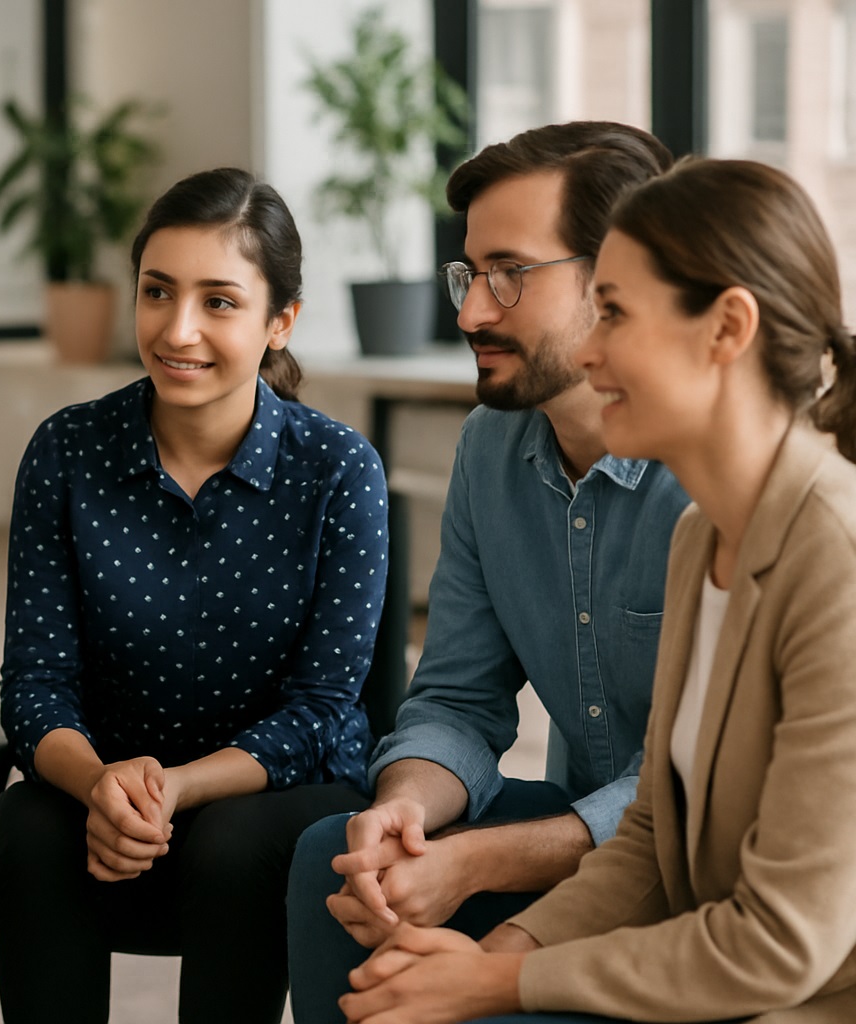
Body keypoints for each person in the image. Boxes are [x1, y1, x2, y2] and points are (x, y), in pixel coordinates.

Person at [341, 157, 856, 1024]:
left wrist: (497, 982)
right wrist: (481, 962)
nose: (587, 349)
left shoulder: (835, 556)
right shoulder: (708, 537)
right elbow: (654, 833)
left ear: (727, 328)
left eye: (613, 314)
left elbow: (782, 944)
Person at [286, 121, 691, 1022]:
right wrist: (408, 815)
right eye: (469, 275)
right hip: (591, 841)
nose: (470, 314)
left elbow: (699, 791)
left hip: (710, 868)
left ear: (616, 277)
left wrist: (480, 863)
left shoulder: (709, 476)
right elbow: (459, 699)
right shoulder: (490, 447)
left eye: (510, 273)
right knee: (338, 864)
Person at [0, 167, 385, 1024]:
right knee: (24, 826)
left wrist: (178, 788)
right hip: (112, 786)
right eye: (157, 292)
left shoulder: (339, 469)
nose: (178, 330)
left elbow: (321, 707)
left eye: (219, 302)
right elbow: (35, 684)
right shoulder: (67, 451)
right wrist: (100, 783)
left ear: (281, 321)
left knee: (234, 844)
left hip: (274, 795)